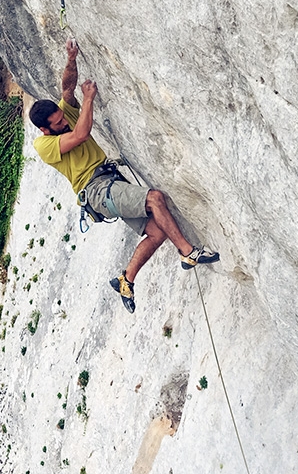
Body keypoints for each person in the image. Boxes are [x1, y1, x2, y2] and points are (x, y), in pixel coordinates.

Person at [29, 39, 219, 313]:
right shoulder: (44, 145)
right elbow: (81, 134)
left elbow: (67, 88)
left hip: (108, 182)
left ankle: (125, 279)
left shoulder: (65, 116)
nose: (65, 122)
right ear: (45, 130)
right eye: (59, 123)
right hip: (96, 190)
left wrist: (71, 59)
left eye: (63, 117)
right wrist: (90, 99)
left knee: (156, 232)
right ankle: (189, 253)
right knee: (155, 199)